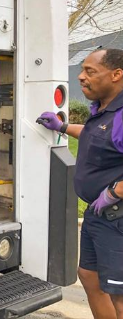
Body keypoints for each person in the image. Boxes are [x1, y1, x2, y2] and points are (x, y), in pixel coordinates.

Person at [38, 48, 123, 319]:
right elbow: (94, 134)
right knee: (89, 276)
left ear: (116, 74)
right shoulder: (104, 110)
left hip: (116, 216)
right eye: (82, 70)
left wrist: (115, 192)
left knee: (119, 294)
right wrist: (62, 127)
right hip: (97, 214)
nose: (80, 77)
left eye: (90, 71)